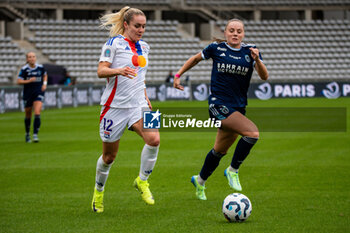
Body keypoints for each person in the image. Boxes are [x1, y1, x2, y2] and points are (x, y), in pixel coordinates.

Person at [173, 19, 268, 200]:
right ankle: (233, 170)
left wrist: (258, 60)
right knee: (252, 133)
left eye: (239, 31)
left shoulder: (251, 52)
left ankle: (199, 180)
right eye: (231, 30)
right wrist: (178, 75)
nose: (235, 34)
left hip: (238, 108)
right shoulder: (216, 49)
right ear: (225, 32)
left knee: (219, 150)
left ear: (243, 34)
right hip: (217, 105)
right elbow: (194, 59)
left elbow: (264, 76)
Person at [91, 6, 160, 213]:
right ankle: (98, 192)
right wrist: (118, 70)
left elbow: (141, 78)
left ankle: (142, 181)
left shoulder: (145, 47)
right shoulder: (113, 44)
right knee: (109, 157)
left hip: (139, 103)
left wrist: (147, 100)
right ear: (126, 24)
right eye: (137, 26)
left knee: (154, 139)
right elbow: (100, 71)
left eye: (144, 26)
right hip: (114, 107)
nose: (141, 30)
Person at [17, 52, 48, 143]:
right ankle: (27, 134)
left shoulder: (40, 67)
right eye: (30, 57)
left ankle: (35, 135)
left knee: (37, 112)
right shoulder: (24, 69)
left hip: (38, 92)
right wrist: (28, 81)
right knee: (28, 115)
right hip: (28, 93)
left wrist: (44, 84)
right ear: (27, 59)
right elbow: (19, 81)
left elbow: (45, 75)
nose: (32, 58)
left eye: (33, 56)